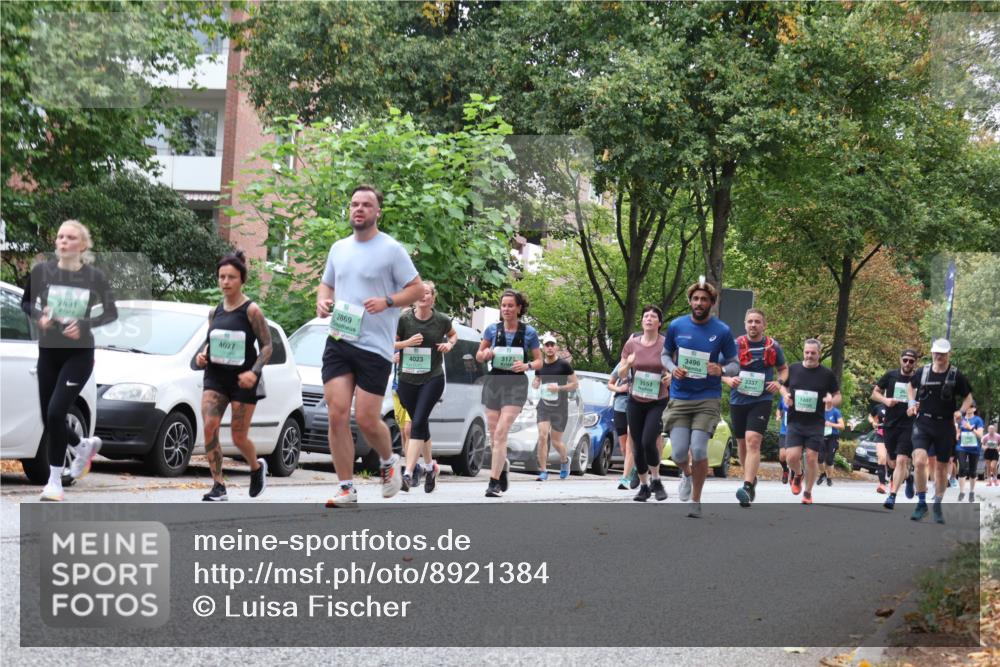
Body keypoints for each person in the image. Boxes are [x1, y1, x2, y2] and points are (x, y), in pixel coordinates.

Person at [316, 185, 424, 507]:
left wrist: (388, 301)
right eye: (354, 204)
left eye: (366, 205)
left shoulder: (391, 250)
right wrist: (323, 301)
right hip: (340, 339)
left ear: (378, 212)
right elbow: (326, 283)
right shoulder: (338, 248)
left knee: (365, 419)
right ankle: (346, 488)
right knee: (336, 414)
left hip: (374, 347)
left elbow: (417, 289)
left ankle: (389, 461)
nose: (359, 209)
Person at [21, 220, 116, 501]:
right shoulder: (42, 272)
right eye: (60, 236)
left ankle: (54, 482)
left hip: (79, 354)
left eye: (70, 237)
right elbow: (26, 302)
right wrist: (40, 316)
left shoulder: (94, 277)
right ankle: (83, 445)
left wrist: (85, 324)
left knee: (55, 411)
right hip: (48, 351)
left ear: (82, 245)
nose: (63, 241)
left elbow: (111, 312)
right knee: (48, 416)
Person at [195, 251, 271, 501]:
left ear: (242, 280)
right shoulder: (214, 312)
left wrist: (254, 372)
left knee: (238, 437)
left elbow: (268, 347)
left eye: (231, 277)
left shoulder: (251, 311)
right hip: (215, 377)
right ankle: (219, 486)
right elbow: (210, 342)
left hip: (243, 380)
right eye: (221, 277)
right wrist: (202, 355)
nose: (225, 282)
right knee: (209, 427)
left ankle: (256, 468)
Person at [661, 280, 739, 517]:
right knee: (679, 453)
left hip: (707, 398)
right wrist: (672, 368)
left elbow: (735, 364)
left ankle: (696, 499)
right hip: (680, 397)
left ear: (711, 304)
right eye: (695, 299)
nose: (699, 303)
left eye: (704, 299)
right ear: (690, 301)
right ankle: (686, 473)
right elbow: (665, 354)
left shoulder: (722, 331)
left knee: (699, 449)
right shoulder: (677, 326)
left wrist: (721, 370)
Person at [476, 289, 542, 497]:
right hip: (494, 381)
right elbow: (479, 355)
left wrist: (527, 365)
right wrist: (484, 354)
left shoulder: (529, 333)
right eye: (503, 305)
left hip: (515, 384)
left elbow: (539, 361)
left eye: (510, 305)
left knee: (502, 432)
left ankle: (493, 482)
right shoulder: (491, 330)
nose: (506, 309)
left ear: (519, 308)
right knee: (495, 435)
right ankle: (502, 466)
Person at [394, 281, 457, 493]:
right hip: (407, 380)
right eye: (420, 292)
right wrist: (406, 343)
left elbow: (453, 334)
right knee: (421, 425)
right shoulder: (404, 319)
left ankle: (408, 473)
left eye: (427, 293)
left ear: (432, 297)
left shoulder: (441, 320)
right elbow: (391, 342)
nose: (423, 296)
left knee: (417, 422)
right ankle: (430, 468)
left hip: (433, 378)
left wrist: (449, 344)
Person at [723, 308, 787, 508]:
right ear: (744, 324)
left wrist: (779, 383)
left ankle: (748, 485)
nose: (753, 325)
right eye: (750, 321)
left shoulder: (773, 346)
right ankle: (749, 477)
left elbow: (783, 369)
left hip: (762, 400)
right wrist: (728, 379)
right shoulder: (734, 345)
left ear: (763, 324)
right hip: (738, 400)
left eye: (757, 321)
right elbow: (718, 368)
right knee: (742, 444)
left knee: (753, 441)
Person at [906, 338, 974, 524]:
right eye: (936, 353)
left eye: (943, 354)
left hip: (945, 426)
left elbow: (968, 398)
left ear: (948, 354)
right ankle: (921, 504)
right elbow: (910, 386)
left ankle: (937, 503)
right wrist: (912, 402)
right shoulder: (923, 371)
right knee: (919, 461)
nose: (939, 356)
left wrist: (960, 411)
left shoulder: (955, 375)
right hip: (923, 423)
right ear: (932, 352)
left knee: (942, 469)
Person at [778, 338, 842, 505]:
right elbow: (782, 386)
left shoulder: (827, 374)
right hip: (795, 421)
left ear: (819, 354)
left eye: (813, 353)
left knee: (812, 458)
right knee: (791, 457)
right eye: (807, 352)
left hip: (816, 423)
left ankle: (808, 492)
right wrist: (785, 396)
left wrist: (831, 401)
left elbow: (838, 396)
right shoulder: (793, 369)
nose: (809, 356)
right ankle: (798, 474)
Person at [620, 305, 670, 502]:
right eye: (646, 316)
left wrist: (670, 377)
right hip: (635, 399)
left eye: (653, 316)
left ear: (659, 322)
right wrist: (628, 364)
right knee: (636, 445)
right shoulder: (631, 344)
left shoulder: (666, 344)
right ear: (642, 321)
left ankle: (656, 479)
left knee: (648, 441)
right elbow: (621, 374)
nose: (649, 318)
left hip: (657, 400)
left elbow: (673, 369)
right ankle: (643, 486)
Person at [872, 348, 919, 510]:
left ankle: (892, 495)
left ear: (915, 363)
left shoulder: (919, 379)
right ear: (900, 360)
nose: (907, 363)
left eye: (911, 361)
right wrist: (886, 400)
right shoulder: (891, 375)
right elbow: (875, 393)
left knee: (901, 460)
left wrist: (917, 407)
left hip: (909, 425)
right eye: (905, 360)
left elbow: (926, 400)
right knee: (892, 463)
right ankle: (908, 477)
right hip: (890, 424)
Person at [532, 333, 578, 480]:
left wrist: (559, 388)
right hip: (544, 406)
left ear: (556, 347)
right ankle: (543, 471)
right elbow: (537, 379)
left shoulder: (564, 365)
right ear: (543, 348)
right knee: (542, 436)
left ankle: (565, 460)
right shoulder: (540, 364)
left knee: (556, 441)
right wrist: (536, 383)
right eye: (547, 345)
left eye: (552, 345)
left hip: (560, 407)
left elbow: (575, 384)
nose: (550, 348)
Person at [608, 361, 637, 490]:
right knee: (624, 447)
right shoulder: (623, 363)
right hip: (620, 404)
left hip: (636, 403)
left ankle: (627, 476)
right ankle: (633, 469)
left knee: (630, 443)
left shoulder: (647, 359)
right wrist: (620, 389)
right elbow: (610, 384)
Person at [956, 405, 985, 502]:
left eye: (971, 407)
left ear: (974, 409)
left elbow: (980, 435)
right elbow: (958, 431)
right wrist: (957, 434)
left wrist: (971, 428)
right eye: (967, 407)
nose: (968, 408)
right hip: (962, 447)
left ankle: (972, 492)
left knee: (973, 471)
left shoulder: (978, 420)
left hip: (974, 448)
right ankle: (961, 492)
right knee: (962, 468)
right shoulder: (961, 419)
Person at [818, 396, 844, 488]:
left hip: (833, 437)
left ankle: (829, 478)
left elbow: (842, 426)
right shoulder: (820, 410)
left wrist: (831, 424)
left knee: (829, 460)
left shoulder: (836, 411)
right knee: (819, 459)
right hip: (821, 436)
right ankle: (822, 474)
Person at [868, 402, 889, 493]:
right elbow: (870, 416)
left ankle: (893, 480)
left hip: (895, 435)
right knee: (881, 457)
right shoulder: (879, 407)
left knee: (893, 462)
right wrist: (873, 422)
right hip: (881, 434)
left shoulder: (900, 406)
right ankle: (882, 484)